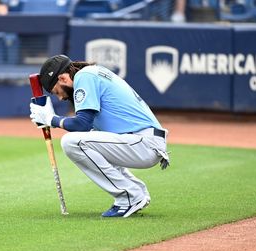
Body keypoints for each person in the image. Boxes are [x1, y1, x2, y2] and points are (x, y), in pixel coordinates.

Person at [29, 55, 170, 218]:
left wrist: (50, 119)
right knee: (90, 138)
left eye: (57, 92)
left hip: (143, 144)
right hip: (142, 142)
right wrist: (51, 118)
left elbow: (82, 124)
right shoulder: (92, 73)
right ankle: (136, 192)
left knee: (72, 142)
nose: (60, 97)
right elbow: (86, 127)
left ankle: (128, 197)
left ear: (62, 78)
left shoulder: (84, 76)